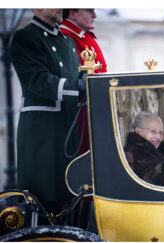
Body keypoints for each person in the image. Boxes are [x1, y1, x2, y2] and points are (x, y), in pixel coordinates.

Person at [10, 9, 84, 219]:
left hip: (69, 126)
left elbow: (76, 76)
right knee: (41, 197)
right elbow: (37, 80)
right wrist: (78, 86)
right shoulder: (26, 37)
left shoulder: (67, 41)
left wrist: (87, 81)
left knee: (68, 193)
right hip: (42, 131)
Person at [60, 8, 107, 154]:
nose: (94, 15)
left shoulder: (84, 36)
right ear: (72, 13)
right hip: (79, 110)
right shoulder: (66, 36)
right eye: (89, 10)